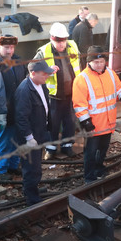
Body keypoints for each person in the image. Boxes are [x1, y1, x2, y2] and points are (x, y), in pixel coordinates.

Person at [73, 45, 121, 183]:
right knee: (90, 152)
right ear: (89, 62)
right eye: (96, 62)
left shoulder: (111, 73)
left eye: (102, 61)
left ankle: (99, 169)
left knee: (102, 149)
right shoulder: (81, 79)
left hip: (107, 123)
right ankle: (89, 177)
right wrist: (86, 122)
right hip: (93, 125)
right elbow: (79, 105)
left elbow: (119, 90)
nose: (100, 65)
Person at [34, 23, 81, 159]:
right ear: (51, 39)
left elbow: (79, 65)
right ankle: (51, 148)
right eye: (57, 41)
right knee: (52, 124)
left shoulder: (73, 46)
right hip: (53, 97)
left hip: (71, 94)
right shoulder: (43, 52)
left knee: (70, 122)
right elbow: (33, 71)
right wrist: (46, 72)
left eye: (63, 41)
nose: (61, 44)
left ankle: (67, 146)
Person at [14, 60, 54, 205]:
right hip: (30, 137)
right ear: (33, 73)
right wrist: (29, 137)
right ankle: (32, 199)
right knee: (31, 168)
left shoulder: (40, 85)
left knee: (36, 166)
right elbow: (21, 117)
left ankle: (32, 189)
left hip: (40, 133)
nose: (47, 76)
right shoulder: (24, 90)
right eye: (44, 74)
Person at [0, 35, 27, 174]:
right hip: (2, 110)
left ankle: (13, 166)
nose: (9, 51)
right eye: (6, 47)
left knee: (17, 139)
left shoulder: (18, 61)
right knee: (2, 141)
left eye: (12, 47)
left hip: (17, 108)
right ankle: (1, 170)